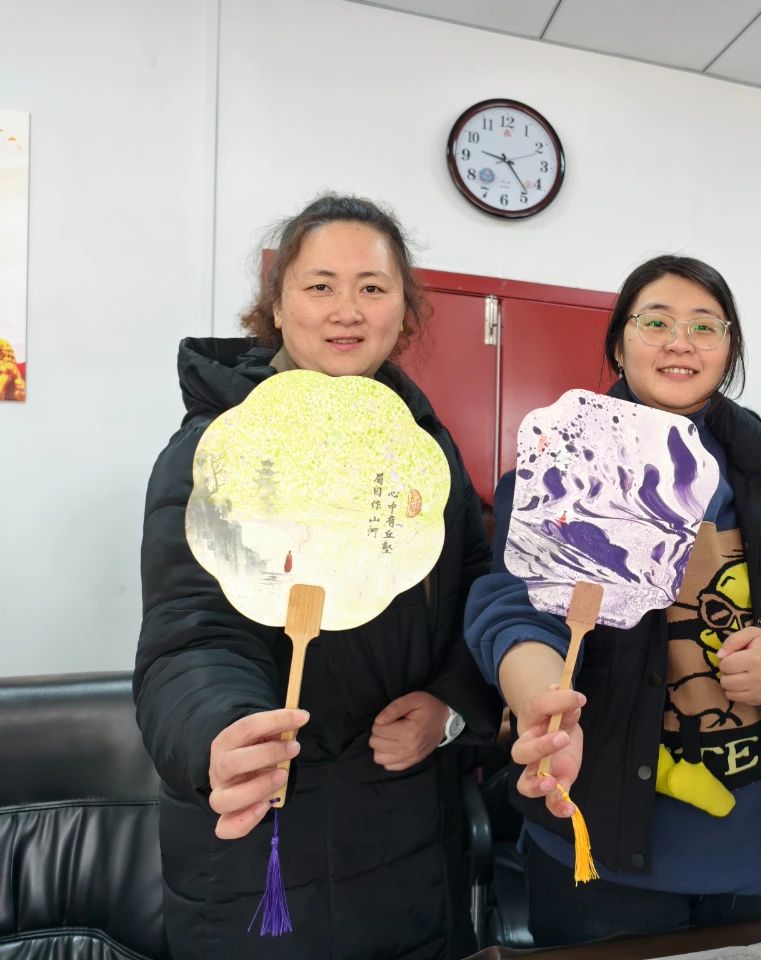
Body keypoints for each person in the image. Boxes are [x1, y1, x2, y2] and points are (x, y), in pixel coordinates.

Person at [135, 194, 498, 960]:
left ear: (404, 311)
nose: (347, 310)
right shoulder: (213, 449)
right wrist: (222, 733)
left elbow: (476, 595)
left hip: (411, 838)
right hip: (262, 845)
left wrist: (451, 706)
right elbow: (190, 640)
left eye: (373, 287)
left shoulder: (423, 451)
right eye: (320, 285)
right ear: (277, 305)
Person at [465, 255, 761, 946]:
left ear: (729, 349)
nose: (680, 343)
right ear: (618, 344)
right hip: (598, 845)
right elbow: (514, 606)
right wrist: (541, 695)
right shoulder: (564, 465)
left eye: (705, 326)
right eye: (656, 322)